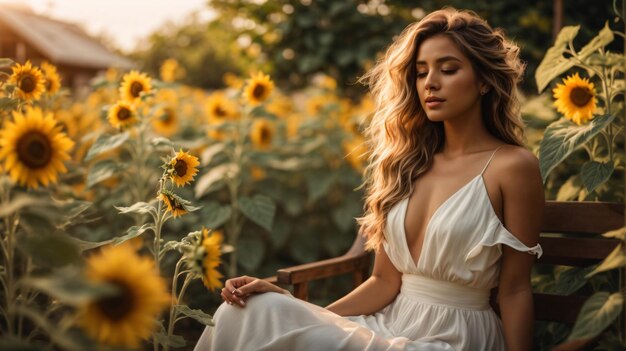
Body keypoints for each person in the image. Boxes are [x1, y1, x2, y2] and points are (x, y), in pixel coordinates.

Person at [194, 7, 544, 351]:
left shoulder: (511, 167)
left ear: (484, 81)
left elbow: (514, 290)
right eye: (420, 73)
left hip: (455, 336)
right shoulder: (408, 164)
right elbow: (384, 282)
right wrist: (302, 316)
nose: (430, 84)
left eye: (448, 69)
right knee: (243, 311)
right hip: (388, 323)